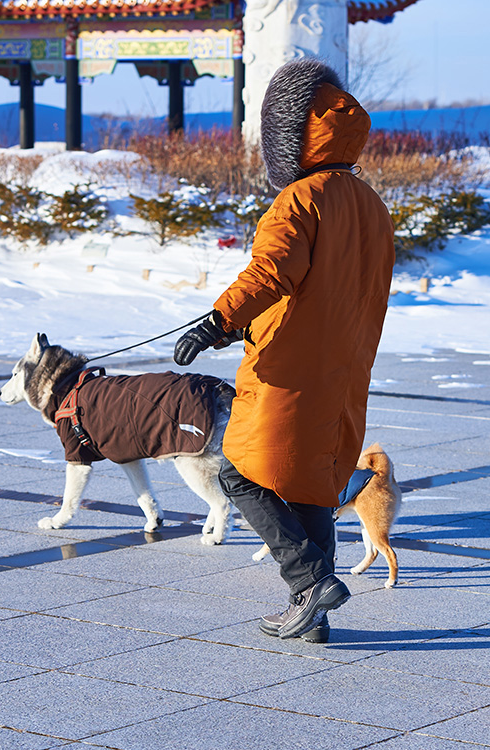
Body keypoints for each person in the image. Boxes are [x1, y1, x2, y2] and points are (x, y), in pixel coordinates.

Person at [173, 57, 394, 641]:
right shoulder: (371, 205)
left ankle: (309, 578)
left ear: (288, 137)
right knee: (314, 486)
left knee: (242, 471)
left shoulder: (300, 200)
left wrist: (218, 320)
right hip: (345, 371)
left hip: (290, 369)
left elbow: (272, 272)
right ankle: (313, 617)